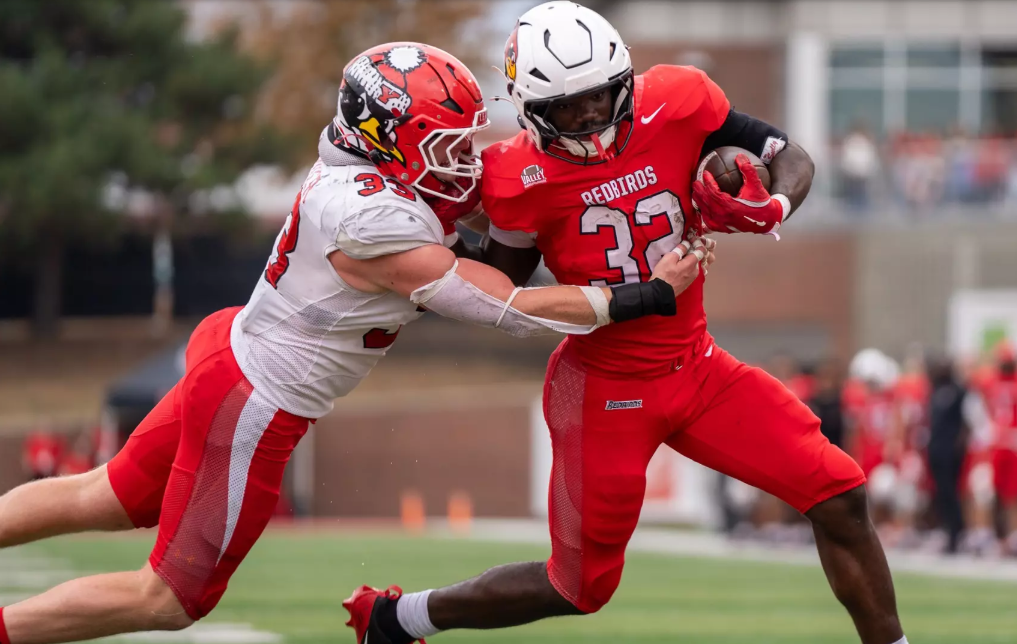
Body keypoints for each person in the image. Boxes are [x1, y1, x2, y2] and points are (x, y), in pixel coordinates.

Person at [0, 42, 709, 644]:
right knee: (170, 598)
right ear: (389, 137)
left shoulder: (371, 166)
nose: (463, 158)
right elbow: (507, 306)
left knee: (109, 495)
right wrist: (641, 296)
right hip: (256, 398)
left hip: (234, 354)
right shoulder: (371, 219)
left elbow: (493, 194)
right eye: (447, 145)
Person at [344, 4, 907, 644]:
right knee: (577, 588)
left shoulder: (680, 100)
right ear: (530, 108)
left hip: (699, 370)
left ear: (625, 81)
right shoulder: (514, 175)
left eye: (600, 96)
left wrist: (772, 204)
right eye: (567, 108)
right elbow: (502, 288)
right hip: (604, 390)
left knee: (839, 493)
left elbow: (788, 155)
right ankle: (397, 619)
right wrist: (423, 246)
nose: (589, 117)